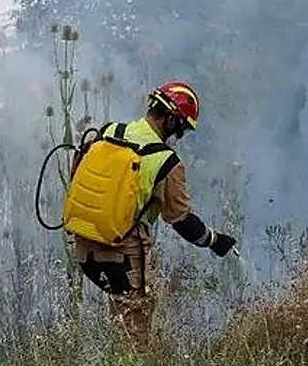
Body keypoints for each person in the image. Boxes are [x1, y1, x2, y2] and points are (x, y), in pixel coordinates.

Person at [67, 81, 237, 351]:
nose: (178, 137)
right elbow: (181, 220)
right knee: (136, 337)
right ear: (170, 118)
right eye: (180, 128)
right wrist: (215, 241)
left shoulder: (110, 131)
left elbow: (78, 173)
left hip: (85, 245)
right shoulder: (166, 161)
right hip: (124, 255)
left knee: (119, 319)